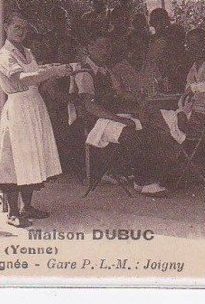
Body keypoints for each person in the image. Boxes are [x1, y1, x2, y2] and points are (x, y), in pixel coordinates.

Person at [0, 13, 75, 227]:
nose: (21, 32)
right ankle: (13, 212)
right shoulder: (4, 55)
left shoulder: (28, 52)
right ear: (6, 27)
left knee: (32, 155)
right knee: (15, 157)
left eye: (24, 28)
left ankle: (27, 206)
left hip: (34, 105)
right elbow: (21, 79)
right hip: (18, 107)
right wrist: (51, 71)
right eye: (16, 27)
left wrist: (55, 74)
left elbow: (37, 80)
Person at [71, 34, 167, 195]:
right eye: (100, 47)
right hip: (97, 121)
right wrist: (118, 118)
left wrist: (138, 103)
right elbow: (90, 106)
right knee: (133, 134)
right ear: (89, 47)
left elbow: (121, 93)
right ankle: (145, 181)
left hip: (111, 118)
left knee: (150, 128)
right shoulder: (85, 72)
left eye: (108, 47)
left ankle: (141, 180)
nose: (105, 51)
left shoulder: (106, 71)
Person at [111, 32, 163, 107]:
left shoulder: (152, 66)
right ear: (128, 49)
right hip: (130, 109)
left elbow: (161, 87)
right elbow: (119, 94)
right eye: (134, 46)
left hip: (154, 108)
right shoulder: (118, 69)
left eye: (142, 46)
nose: (138, 50)